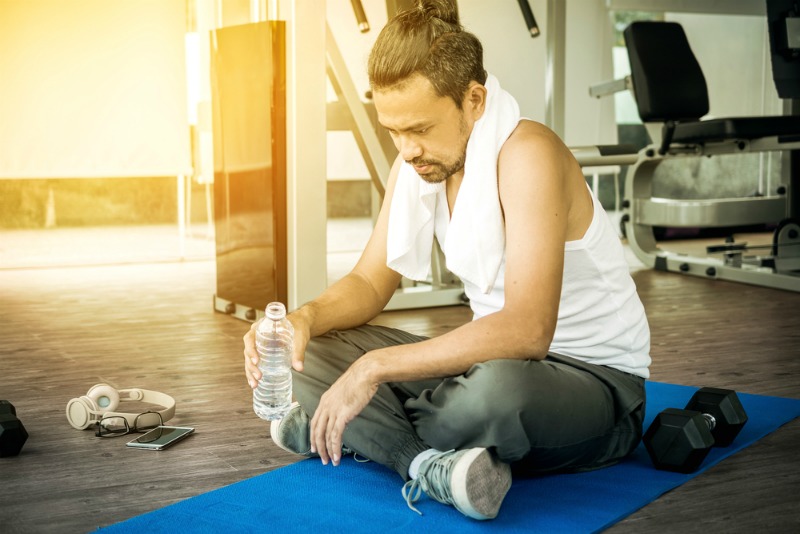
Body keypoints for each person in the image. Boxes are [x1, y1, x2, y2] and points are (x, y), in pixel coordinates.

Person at [243, 0, 650, 521]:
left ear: (474, 100)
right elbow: (370, 281)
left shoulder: (529, 155)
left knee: (495, 396)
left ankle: (363, 432)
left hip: (595, 385)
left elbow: (528, 331)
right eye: (393, 131)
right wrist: (302, 319)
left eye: (419, 128)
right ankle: (429, 465)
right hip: (492, 364)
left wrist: (373, 370)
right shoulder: (418, 165)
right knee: (307, 354)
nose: (406, 149)